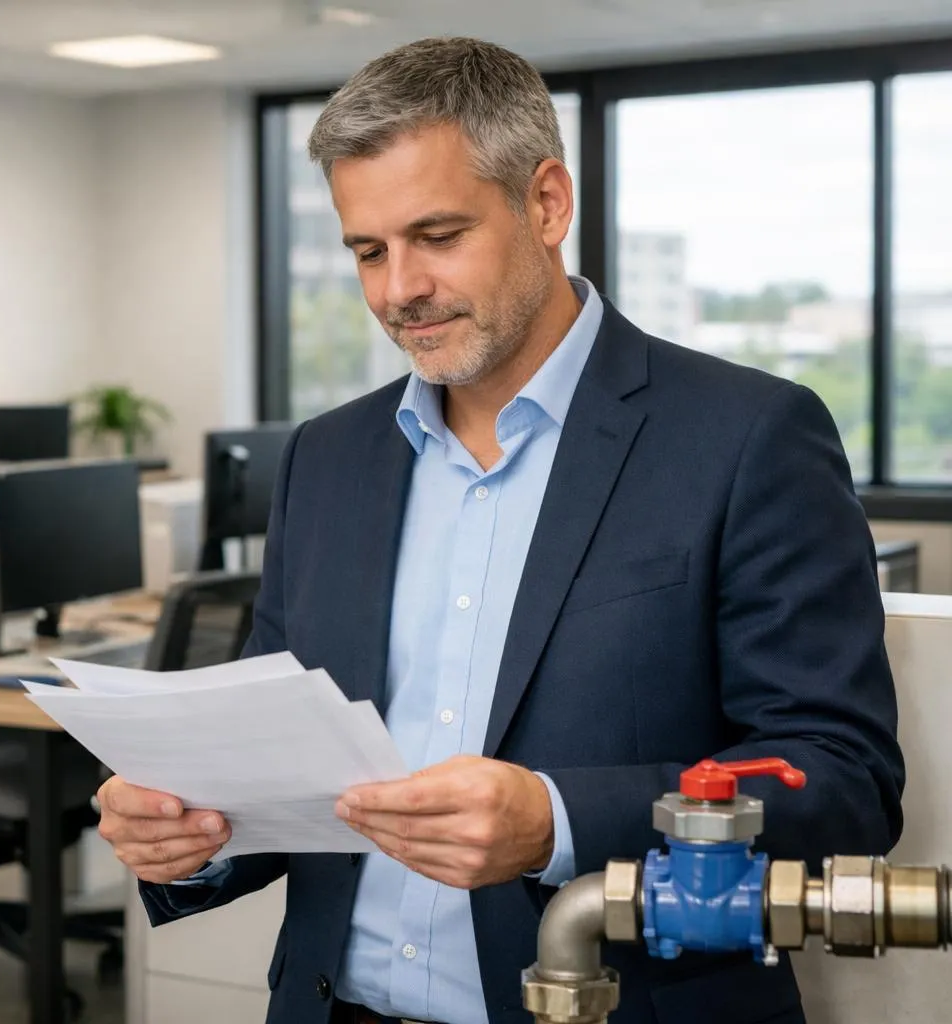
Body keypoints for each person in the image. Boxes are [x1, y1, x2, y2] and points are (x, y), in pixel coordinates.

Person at [95, 36, 904, 1024]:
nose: (398, 289)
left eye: (437, 235)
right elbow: (291, 766)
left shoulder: (746, 435)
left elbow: (840, 778)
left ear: (548, 203)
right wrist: (197, 829)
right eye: (368, 250)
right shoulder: (326, 458)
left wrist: (556, 822)